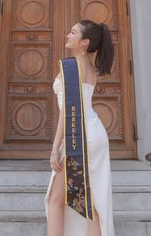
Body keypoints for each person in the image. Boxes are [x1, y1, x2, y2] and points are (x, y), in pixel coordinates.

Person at [45, 19, 115, 236]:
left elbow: (67, 113)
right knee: (88, 201)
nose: (67, 35)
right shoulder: (90, 67)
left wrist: (55, 148)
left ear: (84, 42)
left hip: (80, 135)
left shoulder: (72, 67)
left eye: (72, 32)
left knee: (56, 200)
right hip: (93, 134)